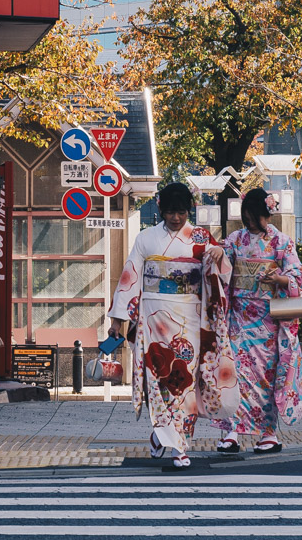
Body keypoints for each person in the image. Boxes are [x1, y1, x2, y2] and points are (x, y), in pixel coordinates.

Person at [108, 182, 240, 469]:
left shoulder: (202, 237)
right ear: (161, 210)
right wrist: (119, 321)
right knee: (160, 383)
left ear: (188, 211)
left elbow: (222, 271)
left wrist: (219, 257)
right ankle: (164, 434)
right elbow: (130, 278)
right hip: (154, 318)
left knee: (185, 384)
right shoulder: (145, 239)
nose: (176, 218)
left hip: (189, 318)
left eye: (181, 212)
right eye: (170, 212)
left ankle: (178, 444)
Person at [214, 187, 302, 454]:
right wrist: (218, 256)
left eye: (257, 215)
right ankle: (230, 431)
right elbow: (222, 268)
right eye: (249, 214)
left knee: (266, 379)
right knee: (233, 376)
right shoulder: (235, 239)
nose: (252, 220)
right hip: (238, 318)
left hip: (268, 322)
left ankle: (267, 433)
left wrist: (279, 279)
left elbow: (295, 275)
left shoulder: (282, 241)